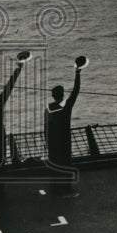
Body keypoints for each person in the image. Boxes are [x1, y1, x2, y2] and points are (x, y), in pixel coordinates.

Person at [44, 57, 84, 195]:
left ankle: (54, 190)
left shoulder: (48, 108)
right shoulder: (67, 105)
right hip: (64, 140)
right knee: (66, 164)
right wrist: (77, 73)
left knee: (55, 165)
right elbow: (76, 90)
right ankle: (67, 190)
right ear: (62, 95)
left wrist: (47, 142)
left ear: (53, 96)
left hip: (52, 142)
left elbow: (46, 127)